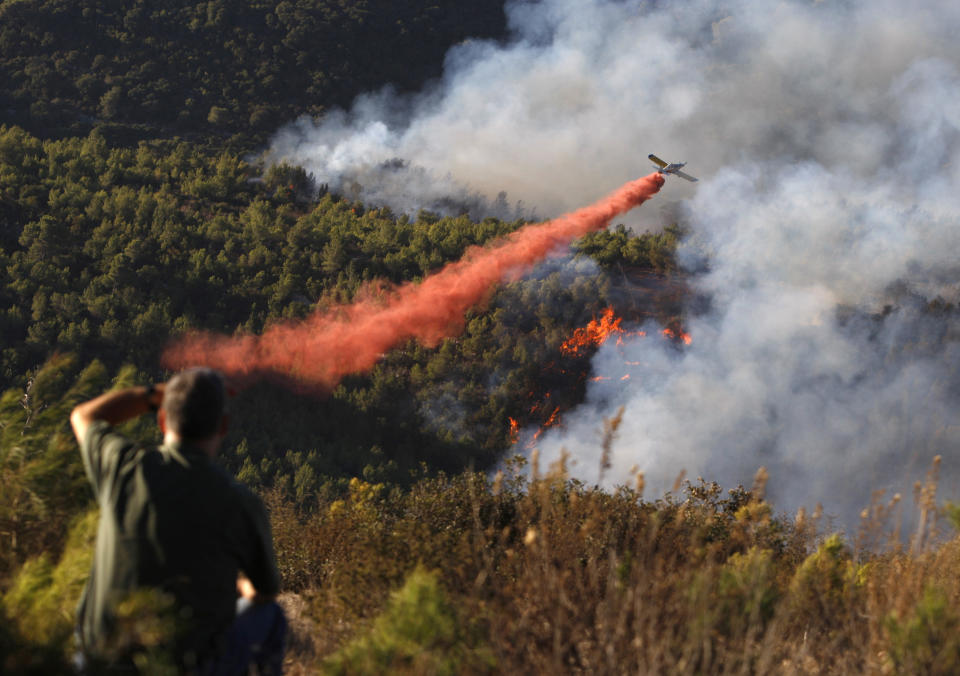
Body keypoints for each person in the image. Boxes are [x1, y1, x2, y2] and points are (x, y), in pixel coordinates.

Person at [70, 367, 286, 673]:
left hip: (101, 662)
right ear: (223, 425)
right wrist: (234, 585)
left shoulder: (125, 467)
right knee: (271, 616)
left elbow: (83, 416)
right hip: (182, 667)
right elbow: (264, 590)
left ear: (161, 420)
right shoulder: (240, 503)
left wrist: (156, 395)